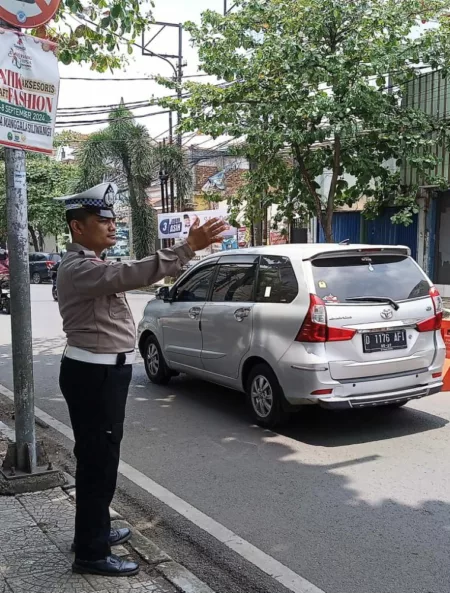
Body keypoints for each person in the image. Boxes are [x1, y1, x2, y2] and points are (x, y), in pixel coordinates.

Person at [55, 183, 226, 578]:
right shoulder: (80, 267)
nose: (112, 227)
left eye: (114, 221)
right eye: (103, 221)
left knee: (98, 458)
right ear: (77, 229)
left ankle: (92, 533)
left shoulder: (91, 265)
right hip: (94, 374)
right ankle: (91, 554)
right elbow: (132, 273)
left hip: (100, 372)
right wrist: (187, 247)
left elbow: (122, 274)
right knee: (99, 462)